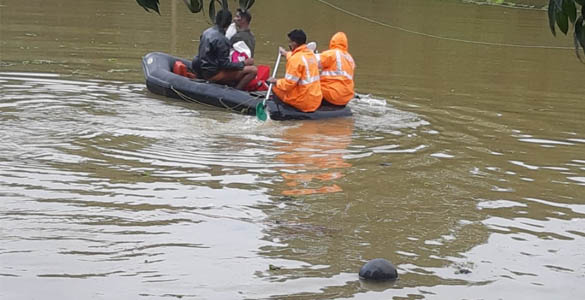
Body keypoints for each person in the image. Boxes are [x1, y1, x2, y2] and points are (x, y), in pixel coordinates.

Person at [191, 9, 257, 90]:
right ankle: (236, 92)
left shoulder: (206, 32)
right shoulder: (222, 40)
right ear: (229, 23)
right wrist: (243, 63)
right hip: (213, 74)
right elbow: (225, 65)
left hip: (203, 69)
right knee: (253, 70)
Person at [266, 29, 322, 113]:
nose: (289, 44)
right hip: (316, 99)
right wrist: (285, 53)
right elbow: (295, 57)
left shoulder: (295, 59)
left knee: (274, 87)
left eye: (290, 42)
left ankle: (281, 110)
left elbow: (288, 85)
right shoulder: (311, 55)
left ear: (294, 43)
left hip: (304, 101)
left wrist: (275, 81)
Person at [317, 32, 355, 106]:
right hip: (345, 98)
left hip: (330, 95)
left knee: (309, 84)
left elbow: (310, 61)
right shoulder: (350, 59)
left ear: (332, 42)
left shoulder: (332, 54)